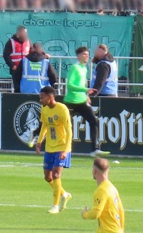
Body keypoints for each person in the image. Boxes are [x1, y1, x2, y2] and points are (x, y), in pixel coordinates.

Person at [36, 85, 74, 214]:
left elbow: (69, 131)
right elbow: (45, 125)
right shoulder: (44, 109)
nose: (40, 100)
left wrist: (66, 150)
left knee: (56, 174)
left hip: (62, 146)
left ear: (50, 96)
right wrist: (39, 141)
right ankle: (64, 194)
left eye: (42, 97)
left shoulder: (62, 109)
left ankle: (55, 205)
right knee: (48, 177)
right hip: (49, 147)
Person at [65, 46, 107, 157]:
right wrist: (85, 90)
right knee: (57, 122)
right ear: (78, 56)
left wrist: (85, 95)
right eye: (84, 54)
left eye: (88, 54)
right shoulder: (75, 67)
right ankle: (36, 133)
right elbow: (70, 85)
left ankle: (94, 149)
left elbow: (81, 84)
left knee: (93, 121)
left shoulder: (84, 68)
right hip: (71, 101)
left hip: (81, 101)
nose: (87, 56)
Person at [81, 157, 125, 233]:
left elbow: (96, 213)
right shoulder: (112, 188)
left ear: (94, 171)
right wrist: (122, 229)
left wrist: (85, 214)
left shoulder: (102, 190)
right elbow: (121, 211)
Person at [3, 25, 30, 93]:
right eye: (24, 33)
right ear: (19, 32)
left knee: (26, 87)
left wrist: (44, 54)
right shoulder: (10, 42)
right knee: (17, 88)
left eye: (26, 33)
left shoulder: (28, 42)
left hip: (26, 69)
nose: (25, 34)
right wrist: (12, 66)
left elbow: (34, 51)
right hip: (16, 69)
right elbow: (6, 55)